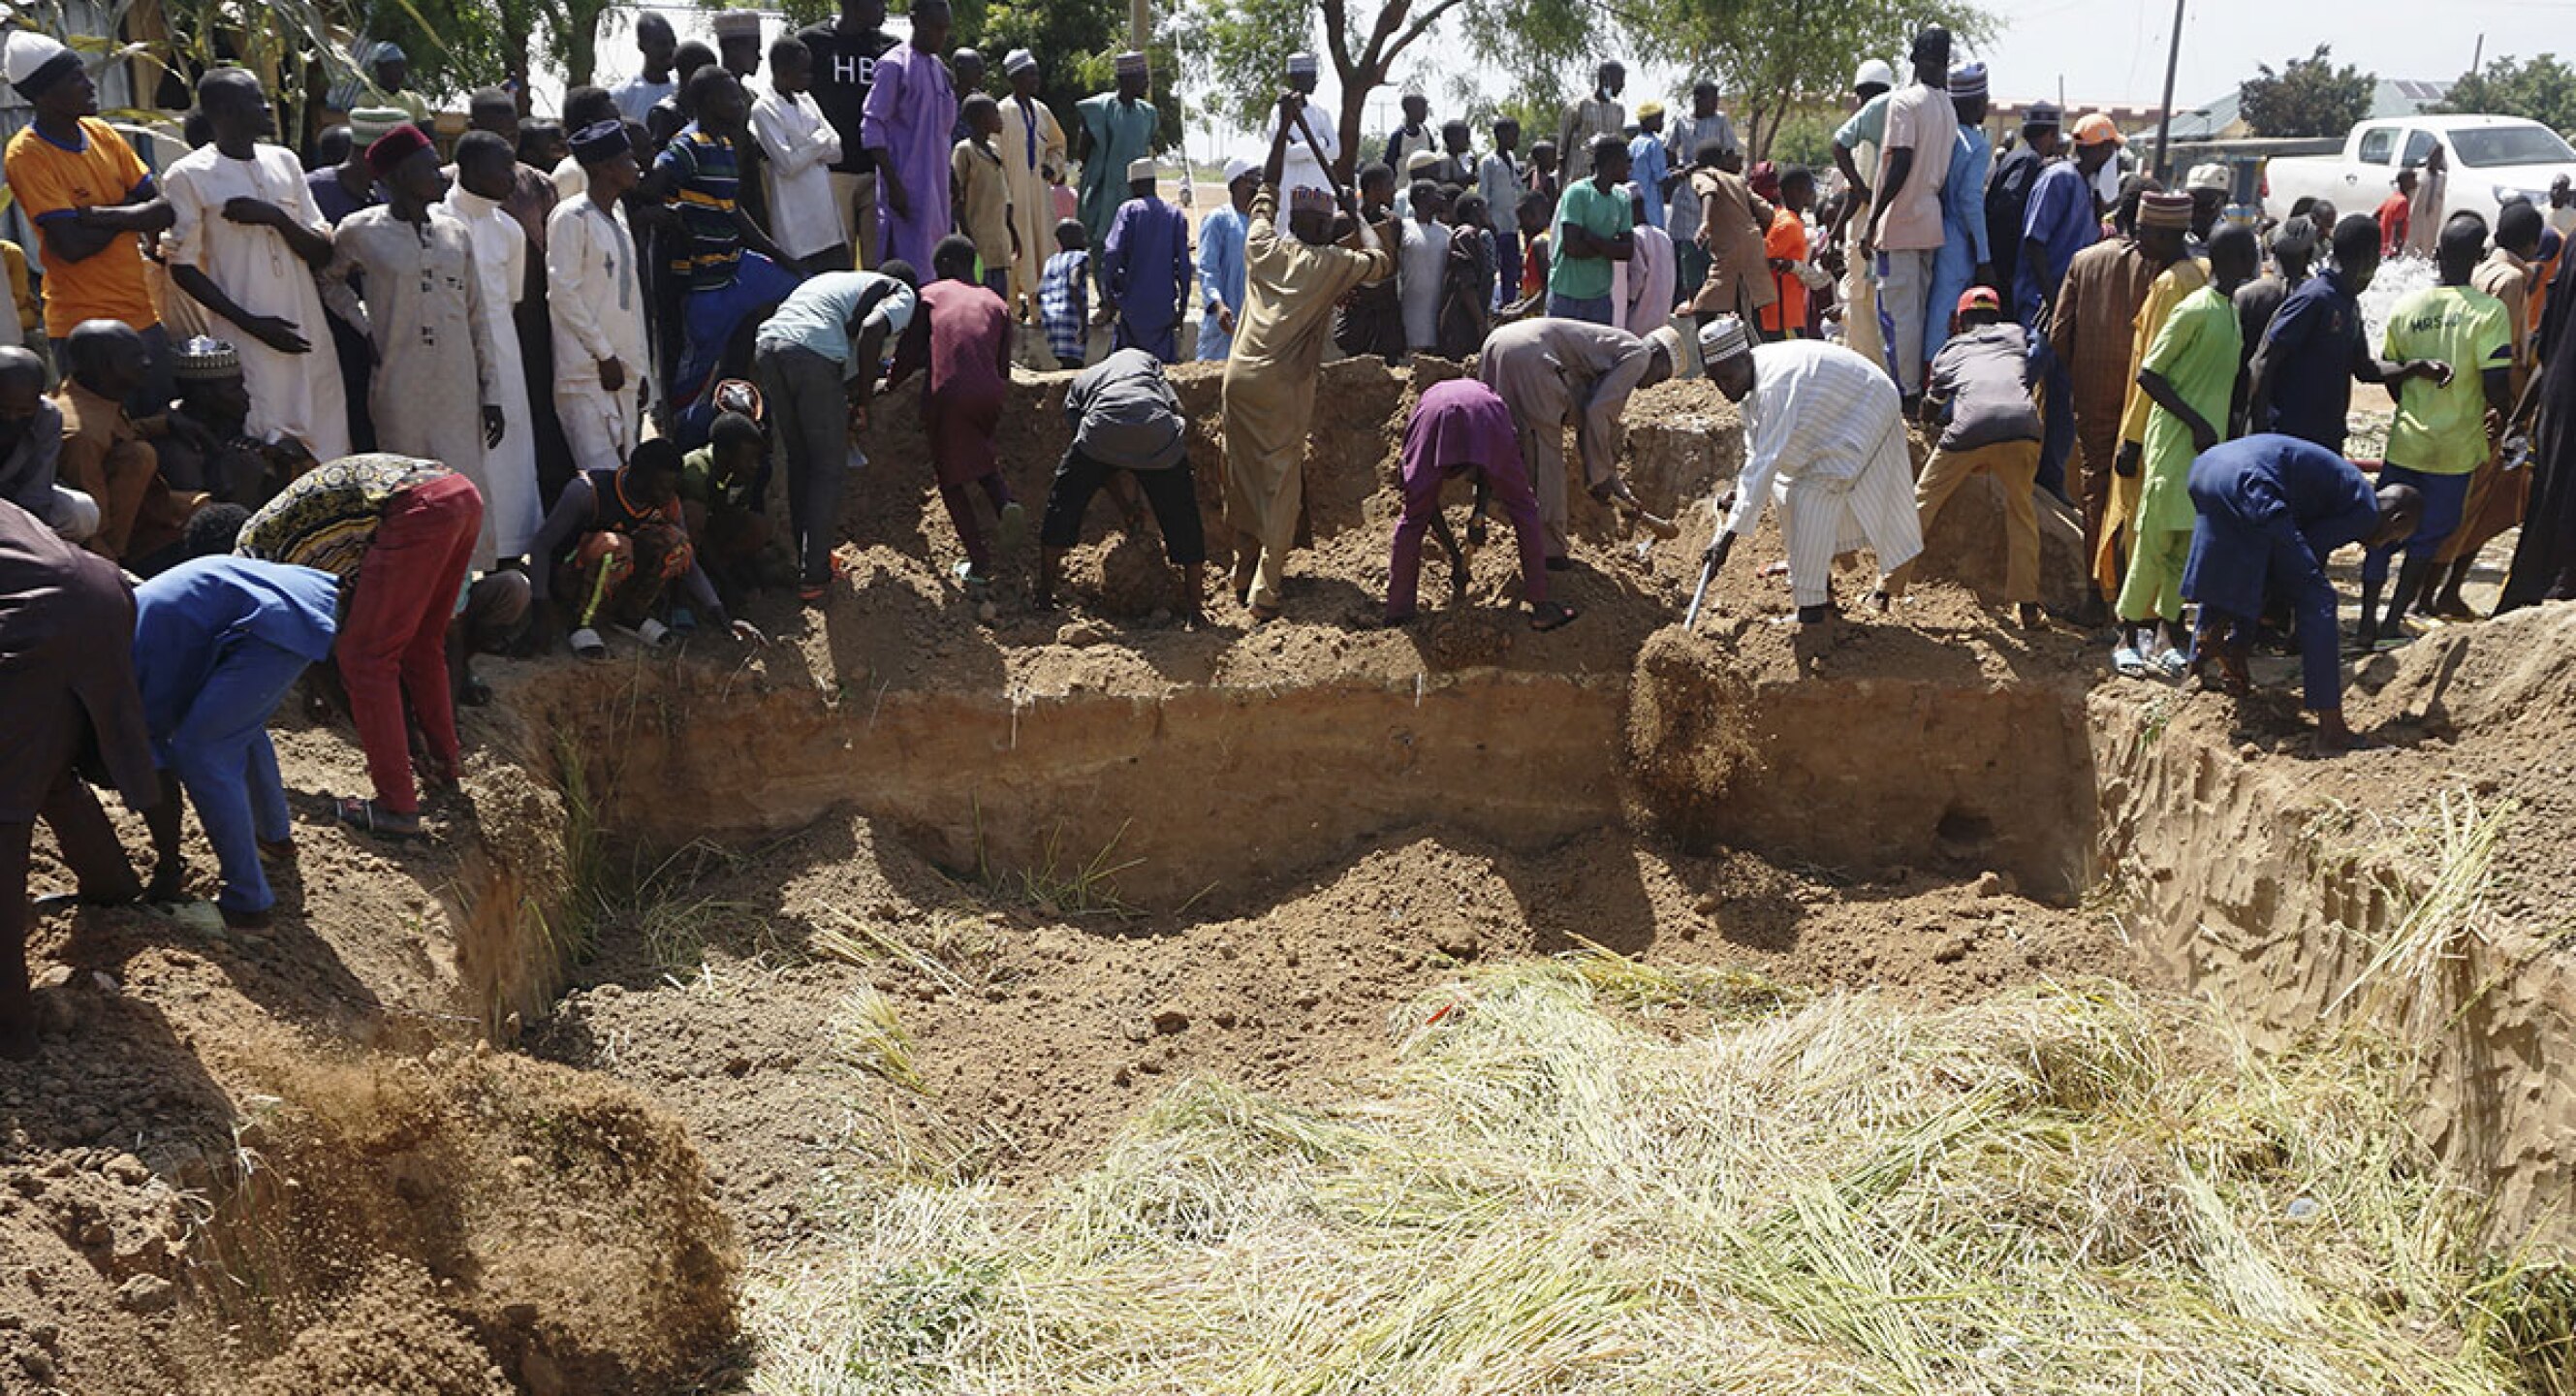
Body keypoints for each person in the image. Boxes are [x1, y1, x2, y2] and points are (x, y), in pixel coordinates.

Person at [226, 455, 479, 839]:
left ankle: (396, 806)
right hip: (456, 492)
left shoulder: (250, 561)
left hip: (414, 506)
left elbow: (313, 644)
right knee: (421, 644)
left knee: (365, 660)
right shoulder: (278, 536)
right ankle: (444, 765)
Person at [0, 497, 165, 1057]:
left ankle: (10, 1030)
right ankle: (110, 884)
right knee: (45, 765)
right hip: (98, 590)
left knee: (4, 813)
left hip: (36, 610)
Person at [1222, 93, 1393, 622]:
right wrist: (1359, 215)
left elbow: (1266, 190)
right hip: (1282, 386)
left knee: (1242, 475)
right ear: (1325, 228)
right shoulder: (1331, 263)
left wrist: (1281, 132)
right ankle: (1265, 588)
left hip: (1238, 377)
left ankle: (1241, 567)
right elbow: (1381, 262)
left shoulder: (1262, 244)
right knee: (1281, 482)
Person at [320, 125, 511, 570]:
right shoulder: (360, 231)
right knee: (408, 487)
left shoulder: (455, 234)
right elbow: (329, 281)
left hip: (457, 385)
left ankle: (466, 586)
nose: (440, 175)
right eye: (429, 167)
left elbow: (477, 316)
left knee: (463, 485)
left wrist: (492, 393)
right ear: (400, 176)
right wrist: (364, 326)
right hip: (397, 383)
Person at [129, 547, 338, 929]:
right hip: (292, 596)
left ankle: (246, 903)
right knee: (234, 725)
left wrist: (168, 868)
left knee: (200, 750)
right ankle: (273, 838)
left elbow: (158, 770)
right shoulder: (119, 631)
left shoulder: (120, 680)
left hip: (266, 616)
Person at [2183, 435, 2421, 753]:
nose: (2385, 545)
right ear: (2396, 519)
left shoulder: (2343, 488)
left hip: (2207, 470)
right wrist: (2275, 610)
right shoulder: (2364, 509)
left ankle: (2195, 673)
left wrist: (2242, 636)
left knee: (2229, 564)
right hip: (2251, 483)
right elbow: (2308, 551)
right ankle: (2332, 732)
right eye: (2394, 538)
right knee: (2319, 600)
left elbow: (2270, 559)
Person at [165, 68, 351, 465]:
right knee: (267, 441)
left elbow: (322, 251)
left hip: (307, 326)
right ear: (225, 111)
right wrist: (253, 325)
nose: (267, 107)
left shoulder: (284, 161)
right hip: (246, 334)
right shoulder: (188, 175)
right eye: (256, 99)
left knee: (328, 435)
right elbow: (182, 268)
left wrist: (275, 218)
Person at [1699, 316, 1924, 625]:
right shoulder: (1750, 381)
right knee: (1784, 487)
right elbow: (1757, 451)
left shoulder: (1775, 384)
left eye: (1727, 377)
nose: (1724, 388)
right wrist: (1739, 492)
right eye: (1717, 381)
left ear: (1743, 357)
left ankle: (1812, 611)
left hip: (1868, 404)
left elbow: (1765, 460)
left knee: (1811, 494)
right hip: (1846, 410)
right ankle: (1821, 593)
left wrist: (1726, 541)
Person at [2354, 211, 2512, 649]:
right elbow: (2496, 382)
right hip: (2455, 448)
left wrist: (2412, 407)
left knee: (2381, 529)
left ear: (2438, 253)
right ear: (2479, 257)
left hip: (2407, 441)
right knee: (2427, 537)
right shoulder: (2489, 312)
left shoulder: (2407, 307)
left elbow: (2391, 373)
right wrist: (2504, 414)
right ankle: (2392, 624)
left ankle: (2365, 623)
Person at [3, 31, 176, 417]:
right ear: (44, 95)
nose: (89, 84)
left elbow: (163, 209)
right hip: (84, 327)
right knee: (105, 438)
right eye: (75, 78)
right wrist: (130, 212)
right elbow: (71, 246)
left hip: (141, 314)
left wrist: (98, 216)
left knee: (164, 424)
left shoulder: (102, 134)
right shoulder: (28, 154)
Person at [2113, 224, 2256, 678]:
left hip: (2205, 454)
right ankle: (2126, 635)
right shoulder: (2194, 309)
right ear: (2234, 258)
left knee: (2184, 545)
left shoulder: (2229, 311)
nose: (2255, 263)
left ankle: (2166, 635)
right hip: (2174, 446)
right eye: (2249, 254)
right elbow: (2150, 373)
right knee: (2153, 541)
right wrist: (2195, 423)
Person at [753, 263, 918, 602]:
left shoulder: (835, 284)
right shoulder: (902, 291)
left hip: (768, 346)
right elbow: (872, 330)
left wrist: (849, 397)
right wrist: (865, 405)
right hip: (809, 352)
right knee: (828, 468)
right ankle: (815, 575)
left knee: (801, 461)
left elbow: (841, 363)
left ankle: (807, 561)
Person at [644, 67, 801, 410]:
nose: (741, 103)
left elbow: (732, 210)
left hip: (735, 266)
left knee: (802, 286)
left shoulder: (725, 145)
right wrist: (670, 218)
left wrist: (779, 254)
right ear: (709, 102)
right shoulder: (687, 146)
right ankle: (683, 426)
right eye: (732, 97)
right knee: (693, 376)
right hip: (704, 281)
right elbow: (652, 188)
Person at [1888, 287, 2043, 626]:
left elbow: (1933, 404)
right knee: (2022, 513)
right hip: (2022, 426)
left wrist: (1925, 423)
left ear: (1958, 320)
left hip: (1970, 428)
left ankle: (1884, 592)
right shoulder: (2015, 334)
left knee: (1921, 502)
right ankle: (2028, 607)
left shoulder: (1950, 350)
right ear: (1997, 315)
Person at [1477, 317, 1685, 564]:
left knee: (1505, 437)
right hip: (1531, 359)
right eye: (1660, 377)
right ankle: (1551, 552)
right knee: (1546, 457)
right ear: (1656, 355)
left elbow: (1587, 412)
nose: (1650, 386)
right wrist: (1600, 477)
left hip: (1498, 344)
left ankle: (1487, 507)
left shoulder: (1615, 347)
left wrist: (1615, 487)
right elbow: (1598, 412)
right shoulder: (1640, 356)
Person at [530, 438, 755, 657]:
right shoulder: (587, 492)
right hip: (572, 577)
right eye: (663, 488)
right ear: (638, 479)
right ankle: (581, 622)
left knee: (676, 543)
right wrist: (540, 605)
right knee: (614, 546)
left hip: (618, 578)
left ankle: (631, 615)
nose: (669, 495)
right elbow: (542, 546)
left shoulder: (667, 503)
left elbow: (690, 564)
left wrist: (719, 613)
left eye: (673, 488)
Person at [2428, 199, 2544, 618]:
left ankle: (2439, 589)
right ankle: (2436, 592)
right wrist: (2514, 412)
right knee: (2477, 502)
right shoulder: (2511, 281)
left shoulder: (2479, 271)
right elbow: (2504, 355)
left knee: (2475, 500)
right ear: (2531, 243)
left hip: (2465, 399)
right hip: (2495, 408)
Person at [2047, 177, 2160, 607]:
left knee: (2096, 489)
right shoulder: (2161, 269)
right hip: (2145, 396)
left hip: (2091, 392)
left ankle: (2097, 595)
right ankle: (2134, 595)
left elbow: (2059, 334)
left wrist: (2081, 374)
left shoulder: (2085, 260)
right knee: (2138, 489)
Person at [2247, 214, 2445, 458]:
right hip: (2291, 438)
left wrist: (2414, 367)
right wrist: (2260, 434)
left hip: (2326, 439)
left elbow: (2364, 369)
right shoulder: (2315, 298)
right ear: (2368, 258)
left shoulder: (2349, 303)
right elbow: (2263, 362)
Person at [1034, 347, 1206, 621]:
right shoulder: (1150, 365)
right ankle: (1195, 612)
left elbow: (1091, 451)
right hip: (1157, 433)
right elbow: (1177, 408)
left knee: (1063, 504)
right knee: (1183, 516)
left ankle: (1044, 597)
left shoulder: (1084, 380)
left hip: (1101, 430)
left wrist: (1127, 505)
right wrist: (1169, 452)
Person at [888, 238, 1021, 586]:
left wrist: (889, 383)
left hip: (949, 391)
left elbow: (909, 351)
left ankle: (979, 563)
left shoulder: (929, 294)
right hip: (990, 393)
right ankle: (1004, 502)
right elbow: (1003, 368)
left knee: (950, 478)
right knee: (980, 454)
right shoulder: (997, 302)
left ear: (944, 265)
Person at [1386, 376, 1566, 630]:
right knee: (1523, 507)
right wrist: (1455, 555)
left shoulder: (1422, 420)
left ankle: (1398, 614)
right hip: (1484, 414)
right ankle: (1541, 605)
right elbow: (1488, 463)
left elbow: (1425, 507)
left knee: (1413, 519)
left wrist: (1478, 516)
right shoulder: (1490, 401)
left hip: (1436, 415)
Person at [442, 132, 544, 567]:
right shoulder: (436, 222)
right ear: (470, 169)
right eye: (502, 169)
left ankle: (509, 558)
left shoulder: (509, 231)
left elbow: (512, 301)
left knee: (509, 460)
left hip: (503, 356)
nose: (511, 178)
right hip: (450, 356)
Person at [2096, 190, 2204, 597]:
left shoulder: (2170, 285)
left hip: (2152, 425)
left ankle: (2134, 611)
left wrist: (2132, 440)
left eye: (2142, 232)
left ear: (2163, 234)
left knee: (2137, 523)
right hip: (2180, 419)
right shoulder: (2197, 273)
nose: (2136, 241)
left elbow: (2153, 371)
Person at [2019, 111, 2123, 497]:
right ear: (2103, 148)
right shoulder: (2060, 178)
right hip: (2044, 301)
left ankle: (2051, 474)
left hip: (2067, 305)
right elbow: (2035, 241)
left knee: (2063, 392)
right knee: (2028, 368)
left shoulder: (2084, 186)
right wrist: (2053, 299)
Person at [549, 120, 652, 485]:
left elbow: (631, 300)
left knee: (626, 479)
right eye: (628, 159)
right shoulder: (571, 217)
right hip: (586, 373)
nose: (637, 166)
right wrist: (604, 355)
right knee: (601, 484)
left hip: (624, 370)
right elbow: (562, 292)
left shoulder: (618, 215)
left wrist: (640, 368)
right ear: (604, 168)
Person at [55, 320, 203, 568]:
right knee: (139, 456)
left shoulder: (94, 398)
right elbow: (92, 528)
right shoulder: (81, 436)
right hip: (111, 541)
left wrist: (166, 423)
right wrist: (117, 573)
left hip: (146, 508)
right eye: (135, 358)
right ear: (104, 367)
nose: (147, 363)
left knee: (211, 512)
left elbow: (119, 434)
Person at [1861, 27, 1957, 404]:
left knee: (1898, 317)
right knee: (1917, 314)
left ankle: (1907, 394)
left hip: (1899, 222)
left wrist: (1873, 219)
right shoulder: (1947, 106)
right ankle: (1915, 389)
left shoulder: (1904, 102)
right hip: (1929, 221)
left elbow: (1901, 161)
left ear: (1915, 59)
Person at [2501, 220, 2576, 608]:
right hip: (2561, 390)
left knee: (2551, 497)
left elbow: (2546, 339)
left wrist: (2522, 414)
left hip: (2560, 391)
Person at [860, 0, 958, 272]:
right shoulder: (893, 66)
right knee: (907, 269)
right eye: (936, 28)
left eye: (945, 29)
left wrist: (951, 176)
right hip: (907, 191)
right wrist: (894, 185)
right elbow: (872, 127)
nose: (941, 36)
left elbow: (943, 132)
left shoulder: (940, 70)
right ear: (915, 21)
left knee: (936, 265)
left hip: (937, 190)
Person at [798, 0, 895, 270]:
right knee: (839, 263)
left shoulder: (890, 49)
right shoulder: (812, 43)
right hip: (832, 173)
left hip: (877, 172)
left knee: (878, 263)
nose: (884, 6)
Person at [754, 35, 849, 277]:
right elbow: (787, 164)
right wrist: (818, 141)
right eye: (803, 72)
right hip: (796, 220)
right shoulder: (764, 109)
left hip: (826, 218)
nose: (810, 77)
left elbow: (837, 150)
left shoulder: (807, 100)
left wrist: (803, 148)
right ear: (783, 73)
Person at [1830, 58, 1898, 373]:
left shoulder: (1867, 136)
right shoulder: (1896, 128)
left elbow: (1858, 193)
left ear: (1860, 95)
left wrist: (1835, 231)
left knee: (1862, 315)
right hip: (1885, 234)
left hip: (1863, 237)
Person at [1923, 63, 1991, 370]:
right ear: (1976, 103)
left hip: (1931, 227)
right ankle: (1938, 380)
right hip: (1956, 240)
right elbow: (1969, 200)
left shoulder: (1942, 136)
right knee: (1946, 313)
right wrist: (1984, 255)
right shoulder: (1977, 145)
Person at [1077, 52, 1159, 298]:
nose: (1146, 83)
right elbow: (1083, 150)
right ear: (1125, 79)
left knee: (1135, 246)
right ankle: (1106, 300)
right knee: (1102, 247)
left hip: (1136, 192)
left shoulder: (1148, 114)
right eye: (1142, 78)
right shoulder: (1100, 110)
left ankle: (1129, 300)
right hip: (1104, 192)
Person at [998, 51, 1068, 315]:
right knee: (1015, 251)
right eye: (1030, 74)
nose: (1036, 79)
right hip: (1011, 196)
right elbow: (993, 157)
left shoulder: (1042, 111)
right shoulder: (1001, 111)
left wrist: (1052, 165)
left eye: (1036, 73)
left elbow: (1058, 145)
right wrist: (1003, 197)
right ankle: (1013, 310)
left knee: (1042, 249)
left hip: (1039, 195)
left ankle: (1040, 311)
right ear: (1014, 78)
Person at [2232, 215, 2314, 432]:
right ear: (2310, 253)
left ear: (2272, 250)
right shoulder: (2314, 298)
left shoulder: (2246, 296)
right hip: (2297, 414)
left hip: (2246, 411)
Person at [678, 408, 773, 597]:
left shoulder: (738, 473)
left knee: (758, 526)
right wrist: (727, 581)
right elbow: (695, 528)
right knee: (695, 516)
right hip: (683, 537)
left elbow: (733, 513)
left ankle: (723, 570)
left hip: (712, 529)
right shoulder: (695, 470)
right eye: (748, 458)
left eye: (756, 458)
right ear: (724, 454)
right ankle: (687, 584)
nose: (754, 465)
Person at [1102, 158, 1189, 362]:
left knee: (1127, 366)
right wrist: (1182, 307)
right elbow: (1184, 267)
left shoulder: (1128, 210)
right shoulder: (1175, 215)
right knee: (1162, 369)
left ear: (1133, 185)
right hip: (1162, 309)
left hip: (1131, 307)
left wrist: (1109, 296)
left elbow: (1112, 253)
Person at [1547, 137, 1633, 325]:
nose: (1629, 167)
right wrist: (1610, 247)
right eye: (1627, 161)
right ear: (1612, 163)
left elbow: (1627, 251)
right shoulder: (1577, 193)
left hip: (1600, 298)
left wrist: (1591, 238)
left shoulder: (1622, 199)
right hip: (1567, 296)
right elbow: (1572, 248)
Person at [1664, 82, 1737, 301]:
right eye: (1711, 99)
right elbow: (1669, 150)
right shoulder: (1682, 122)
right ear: (1698, 100)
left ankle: (1712, 299)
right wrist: (1678, 170)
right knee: (1688, 251)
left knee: (1712, 249)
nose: (1715, 104)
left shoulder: (1721, 121)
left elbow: (1731, 153)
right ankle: (1690, 299)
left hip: (1713, 190)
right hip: (1687, 194)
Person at [1983, 101, 2058, 301]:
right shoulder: (2029, 161)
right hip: (2004, 263)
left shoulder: (2019, 155)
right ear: (2050, 134)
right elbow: (2008, 208)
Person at [952, 95, 1017, 299]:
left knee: (999, 296)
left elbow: (1004, 196)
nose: (999, 118)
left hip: (998, 241)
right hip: (977, 240)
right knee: (979, 292)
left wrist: (1012, 231)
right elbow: (957, 198)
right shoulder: (964, 151)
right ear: (980, 118)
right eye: (994, 113)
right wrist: (967, 236)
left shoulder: (995, 150)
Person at [1196, 160, 1256, 362]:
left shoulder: (1260, 223)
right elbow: (1207, 269)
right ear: (1238, 184)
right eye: (1251, 180)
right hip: (1223, 326)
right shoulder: (1218, 220)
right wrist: (1218, 305)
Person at [1397, 181, 1456, 359]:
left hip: (1438, 311)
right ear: (1422, 196)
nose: (1442, 198)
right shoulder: (1403, 228)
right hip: (1411, 312)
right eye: (1437, 194)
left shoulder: (1446, 233)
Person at [1761, 167, 1821, 341]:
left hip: (1785, 311)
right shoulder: (1789, 224)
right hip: (1783, 315)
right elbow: (1765, 260)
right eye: (1810, 189)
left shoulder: (1784, 218)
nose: (1813, 194)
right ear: (1798, 190)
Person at [1273, 53, 1339, 206]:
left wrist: (1301, 147)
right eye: (1310, 77)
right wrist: (1322, 143)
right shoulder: (1279, 112)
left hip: (1321, 187)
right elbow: (1288, 153)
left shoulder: (1321, 111)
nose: (1315, 81)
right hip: (1291, 189)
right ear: (1296, 78)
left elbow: (1335, 151)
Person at [1437, 194, 1497, 361]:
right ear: (1476, 208)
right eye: (1485, 207)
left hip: (1471, 318)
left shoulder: (1477, 235)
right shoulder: (1465, 236)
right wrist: (1480, 322)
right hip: (1462, 320)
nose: (1488, 212)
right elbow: (1466, 283)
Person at [1479, 119, 1527, 308]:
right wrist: (1487, 222)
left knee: (1511, 268)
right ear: (1500, 135)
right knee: (1493, 268)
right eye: (1513, 135)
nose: (1516, 139)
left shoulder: (1512, 158)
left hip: (1512, 224)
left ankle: (1509, 304)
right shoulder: (1488, 162)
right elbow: (1483, 195)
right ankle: (1492, 306)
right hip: (1496, 224)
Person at [1617, 183, 1675, 335]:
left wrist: (1625, 304)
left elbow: (1637, 278)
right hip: (1661, 318)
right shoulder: (1664, 236)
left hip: (1638, 320)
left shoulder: (1635, 237)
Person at [1558, 61, 1626, 183]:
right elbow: (1562, 151)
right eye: (1619, 79)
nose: (1622, 85)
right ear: (1605, 77)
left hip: (1606, 183)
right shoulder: (1579, 106)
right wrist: (1560, 185)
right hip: (1579, 178)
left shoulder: (1618, 110)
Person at [1039, 220, 1092, 369]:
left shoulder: (1051, 261)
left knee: (1064, 360)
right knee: (1074, 363)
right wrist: (1082, 321)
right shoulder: (1080, 257)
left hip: (1051, 320)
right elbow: (1074, 283)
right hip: (1071, 319)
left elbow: (1039, 291)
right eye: (1082, 236)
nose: (1085, 240)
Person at [614, 12, 680, 125]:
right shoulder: (622, 95)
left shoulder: (682, 93)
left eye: (673, 42)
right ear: (641, 46)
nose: (670, 49)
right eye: (661, 44)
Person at [2404, 143, 2447, 259]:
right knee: (2411, 247)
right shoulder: (2418, 174)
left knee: (2427, 249)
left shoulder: (2442, 178)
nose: (2435, 159)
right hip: (2416, 218)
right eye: (2433, 155)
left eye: (2438, 156)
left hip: (2431, 220)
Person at [1383, 92, 1435, 173]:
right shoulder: (1398, 136)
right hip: (1403, 180)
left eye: (1425, 109)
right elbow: (1388, 166)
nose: (1425, 113)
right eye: (1421, 108)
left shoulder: (1426, 133)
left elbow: (1433, 158)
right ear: (1408, 110)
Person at [949, 48, 988, 143]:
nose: (981, 72)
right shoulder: (943, 100)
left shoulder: (981, 102)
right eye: (976, 67)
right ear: (961, 70)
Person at [2377, 170, 2415, 260]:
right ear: (2405, 182)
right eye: (2413, 179)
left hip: (2382, 244)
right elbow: (2398, 227)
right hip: (2390, 248)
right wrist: (2397, 249)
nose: (2416, 182)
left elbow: (2376, 215)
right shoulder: (2403, 202)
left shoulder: (2392, 198)